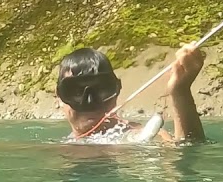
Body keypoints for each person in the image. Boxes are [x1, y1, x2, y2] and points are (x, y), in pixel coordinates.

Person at [55, 44, 206, 143]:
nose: (90, 101)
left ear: (116, 90)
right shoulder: (61, 148)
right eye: (75, 91)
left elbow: (184, 152)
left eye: (101, 90)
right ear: (60, 97)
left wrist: (180, 92)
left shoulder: (135, 135)